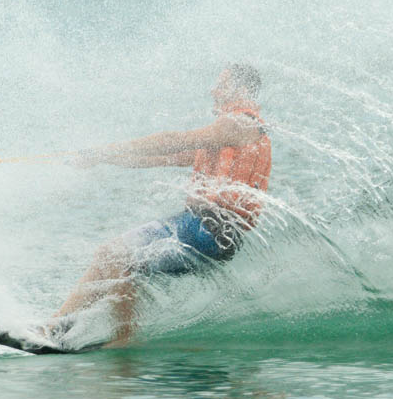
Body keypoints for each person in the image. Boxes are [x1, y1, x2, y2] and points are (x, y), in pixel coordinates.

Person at [45, 64, 272, 346]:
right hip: (200, 227)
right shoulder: (227, 135)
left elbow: (172, 141)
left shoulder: (239, 125)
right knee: (108, 256)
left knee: (118, 257)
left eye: (221, 85)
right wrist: (101, 158)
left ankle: (124, 342)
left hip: (209, 231)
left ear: (241, 90)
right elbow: (159, 157)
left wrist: (107, 150)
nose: (213, 91)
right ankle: (55, 326)